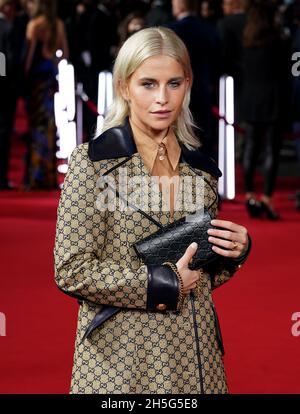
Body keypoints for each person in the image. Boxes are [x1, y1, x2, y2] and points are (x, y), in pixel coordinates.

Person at [54, 27, 251, 394]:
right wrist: (162, 282)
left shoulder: (203, 171)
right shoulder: (92, 164)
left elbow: (201, 276)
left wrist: (231, 253)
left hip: (197, 360)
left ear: (187, 85)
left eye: (173, 83)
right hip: (122, 362)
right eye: (148, 84)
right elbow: (71, 270)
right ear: (125, 87)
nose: (162, 98)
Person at [241, 0, 289, 220]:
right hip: (274, 99)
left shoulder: (246, 42)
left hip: (251, 98)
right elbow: (286, 72)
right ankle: (267, 199)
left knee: (250, 148)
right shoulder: (279, 41)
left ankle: (250, 195)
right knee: (271, 150)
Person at [23, 0, 68, 189]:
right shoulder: (57, 24)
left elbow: (28, 57)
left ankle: (34, 177)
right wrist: (53, 59)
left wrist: (22, 80)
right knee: (49, 124)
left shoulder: (35, 25)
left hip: (36, 79)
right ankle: (48, 176)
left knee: (36, 126)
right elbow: (65, 54)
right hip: (50, 76)